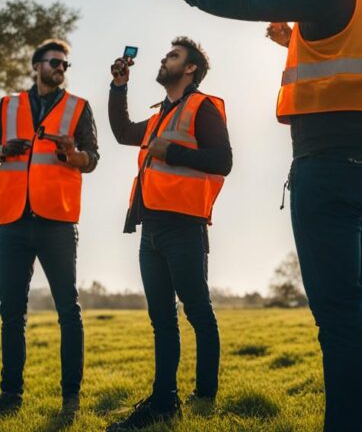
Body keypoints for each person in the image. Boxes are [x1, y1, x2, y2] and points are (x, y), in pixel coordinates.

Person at [152, 0, 362, 432]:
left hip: (325, 168)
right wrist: (293, 41)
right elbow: (348, 63)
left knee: (338, 314)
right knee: (359, 302)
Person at [104, 38, 232, 430]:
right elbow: (124, 131)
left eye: (173, 56)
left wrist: (170, 152)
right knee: (161, 319)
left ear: (190, 69)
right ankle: (164, 402)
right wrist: (119, 87)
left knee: (197, 313)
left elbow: (224, 161)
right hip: (152, 229)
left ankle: (205, 395)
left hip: (185, 228)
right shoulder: (160, 114)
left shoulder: (203, 107)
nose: (164, 59)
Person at [0, 38, 100, 416]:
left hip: (58, 221)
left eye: (66, 64)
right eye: (55, 62)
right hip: (13, 221)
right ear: (37, 65)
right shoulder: (8, 105)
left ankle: (71, 397)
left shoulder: (78, 108)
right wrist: (2, 151)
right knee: (11, 313)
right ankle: (11, 394)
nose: (61, 68)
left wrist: (71, 153)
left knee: (69, 310)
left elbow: (92, 158)